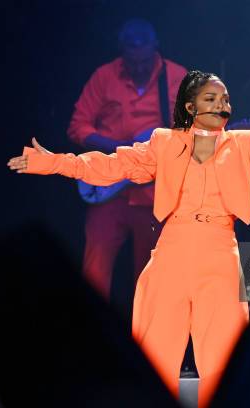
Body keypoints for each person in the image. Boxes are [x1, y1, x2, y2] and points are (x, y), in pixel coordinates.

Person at [8, 70, 250, 407]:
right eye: (211, 97)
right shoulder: (163, 142)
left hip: (220, 256)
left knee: (225, 364)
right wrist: (53, 162)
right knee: (153, 359)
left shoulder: (246, 144)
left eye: (225, 98)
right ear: (190, 107)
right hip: (173, 252)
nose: (222, 103)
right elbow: (112, 166)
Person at [67, 18, 187, 300]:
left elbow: (188, 133)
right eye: (133, 64)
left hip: (153, 197)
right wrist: (118, 146)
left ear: (155, 48)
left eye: (145, 62)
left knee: (150, 283)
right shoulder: (104, 76)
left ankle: (144, 343)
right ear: (122, 53)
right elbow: (78, 126)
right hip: (110, 193)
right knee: (94, 272)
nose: (140, 69)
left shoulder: (177, 77)